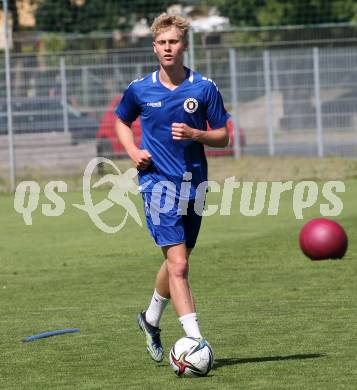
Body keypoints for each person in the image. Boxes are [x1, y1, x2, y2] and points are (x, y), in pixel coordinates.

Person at [115, 13, 229, 363]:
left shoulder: (203, 88)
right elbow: (122, 120)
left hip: (193, 184)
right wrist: (134, 151)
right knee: (178, 265)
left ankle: (150, 320)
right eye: (162, 43)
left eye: (174, 42)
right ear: (155, 47)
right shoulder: (139, 89)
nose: (168, 48)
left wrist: (197, 134)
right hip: (156, 185)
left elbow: (223, 136)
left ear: (184, 45)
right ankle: (196, 340)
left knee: (177, 260)